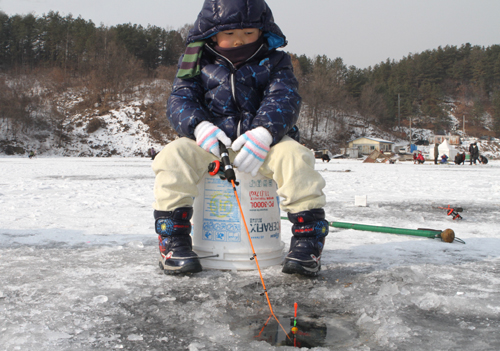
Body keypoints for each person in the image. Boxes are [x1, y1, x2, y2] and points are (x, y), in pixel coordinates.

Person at [152, 0, 328, 277]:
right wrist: (199, 127)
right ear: (211, 32)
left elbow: (284, 98)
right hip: (212, 143)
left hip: (263, 143)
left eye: (248, 33)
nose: (239, 41)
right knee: (174, 156)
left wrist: (265, 131)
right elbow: (180, 99)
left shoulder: (277, 61)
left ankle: (308, 243)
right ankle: (173, 241)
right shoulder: (195, 60)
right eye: (230, 34)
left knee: (295, 158)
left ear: (262, 30)